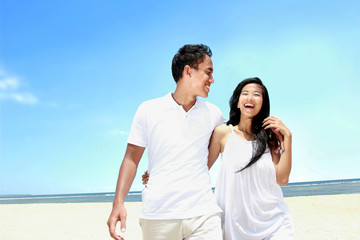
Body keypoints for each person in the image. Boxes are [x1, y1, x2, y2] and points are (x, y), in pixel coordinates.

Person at [107, 44, 225, 240]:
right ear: (188, 71)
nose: (212, 80)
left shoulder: (214, 114)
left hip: (204, 213)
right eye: (208, 72)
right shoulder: (148, 110)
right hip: (159, 215)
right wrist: (118, 203)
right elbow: (131, 159)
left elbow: (230, 143)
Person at [208, 77, 293, 240]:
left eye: (256, 94)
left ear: (263, 103)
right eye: (245, 93)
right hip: (234, 227)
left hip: (275, 224)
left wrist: (288, 137)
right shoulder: (223, 133)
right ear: (237, 102)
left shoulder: (270, 138)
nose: (250, 98)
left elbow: (282, 179)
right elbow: (200, 169)